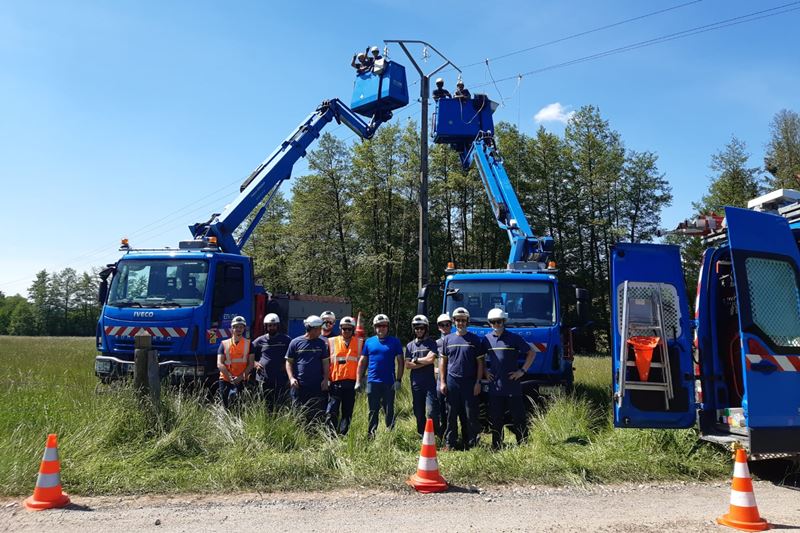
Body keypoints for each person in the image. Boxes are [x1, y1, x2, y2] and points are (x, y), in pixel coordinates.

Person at [482, 308, 536, 450]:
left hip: (513, 386)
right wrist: (484, 371)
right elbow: (479, 358)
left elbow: (531, 353)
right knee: (496, 419)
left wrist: (522, 371)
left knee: (518, 418)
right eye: (493, 322)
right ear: (489, 323)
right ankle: (497, 446)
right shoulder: (486, 339)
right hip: (495, 387)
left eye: (499, 321)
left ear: (504, 321)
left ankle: (523, 444)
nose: (496, 324)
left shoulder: (514, 338)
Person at [439, 307, 485, 450]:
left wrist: (478, 382)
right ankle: (450, 443)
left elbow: (480, 363)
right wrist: (442, 382)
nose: (460, 323)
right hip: (452, 381)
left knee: (470, 414)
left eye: (463, 320)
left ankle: (471, 443)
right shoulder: (447, 339)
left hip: (470, 382)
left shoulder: (475, 340)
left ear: (467, 321)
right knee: (451, 414)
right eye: (458, 320)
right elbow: (442, 362)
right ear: (454, 322)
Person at [356, 314, 404, 438]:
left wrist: (398, 380)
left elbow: (400, 361)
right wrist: (358, 380)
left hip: (389, 382)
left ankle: (390, 435)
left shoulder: (395, 342)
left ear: (387, 327)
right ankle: (371, 435)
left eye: (383, 326)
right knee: (373, 410)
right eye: (378, 326)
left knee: (389, 410)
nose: (381, 328)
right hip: (372, 381)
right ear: (374, 327)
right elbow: (362, 362)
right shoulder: (369, 342)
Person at [285, 315, 330, 424]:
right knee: (298, 412)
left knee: (316, 412)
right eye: (319, 329)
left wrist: (325, 379)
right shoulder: (295, 343)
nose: (321, 331)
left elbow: (325, 362)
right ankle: (300, 435)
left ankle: (314, 435)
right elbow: (288, 362)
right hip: (299, 385)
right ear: (312, 329)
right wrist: (291, 378)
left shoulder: (321, 344)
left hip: (317, 385)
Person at [326, 316, 362, 435]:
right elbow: (325, 362)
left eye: (349, 329)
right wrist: (326, 379)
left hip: (351, 383)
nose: (346, 331)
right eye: (344, 329)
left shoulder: (359, 343)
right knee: (332, 411)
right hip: (335, 382)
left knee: (347, 412)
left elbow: (364, 362)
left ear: (353, 330)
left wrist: (361, 380)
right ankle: (331, 436)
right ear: (340, 328)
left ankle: (343, 434)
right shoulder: (331, 341)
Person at [405, 315, 440, 437]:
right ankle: (422, 435)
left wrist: (416, 360)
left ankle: (436, 434)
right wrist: (422, 361)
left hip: (429, 383)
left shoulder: (431, 343)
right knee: (418, 412)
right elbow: (407, 365)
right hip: (416, 384)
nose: (419, 330)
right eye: (416, 328)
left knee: (431, 411)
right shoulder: (409, 346)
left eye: (421, 328)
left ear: (426, 329)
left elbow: (431, 359)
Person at [252, 313, 291, 409]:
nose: (272, 327)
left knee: (279, 403)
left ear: (278, 326)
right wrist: (255, 363)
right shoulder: (259, 341)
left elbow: (292, 356)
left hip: (280, 378)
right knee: (264, 403)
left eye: (274, 325)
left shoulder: (286, 340)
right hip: (263, 378)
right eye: (269, 325)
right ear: (266, 326)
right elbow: (249, 355)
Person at [217, 315, 254, 409]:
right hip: (225, 379)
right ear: (232, 328)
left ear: (244, 328)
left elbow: (251, 364)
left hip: (242, 380)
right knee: (226, 406)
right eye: (236, 326)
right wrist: (229, 377)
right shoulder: (224, 344)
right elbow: (219, 363)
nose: (238, 329)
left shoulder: (249, 344)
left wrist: (240, 377)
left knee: (240, 406)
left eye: (241, 327)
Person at [434, 313, 452, 437]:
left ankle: (453, 435)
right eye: (442, 325)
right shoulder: (436, 343)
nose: (444, 327)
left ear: (451, 325)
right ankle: (442, 434)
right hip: (440, 380)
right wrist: (435, 369)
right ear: (438, 327)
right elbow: (429, 360)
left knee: (452, 408)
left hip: (453, 379)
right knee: (440, 408)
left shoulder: (456, 339)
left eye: (447, 324)